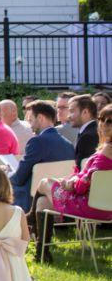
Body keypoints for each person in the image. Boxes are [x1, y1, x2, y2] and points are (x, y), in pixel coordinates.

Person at [34, 107, 112, 254]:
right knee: (42, 202)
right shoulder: (106, 147)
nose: (104, 124)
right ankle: (42, 252)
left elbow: (85, 184)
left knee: (45, 182)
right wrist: (75, 179)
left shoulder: (107, 150)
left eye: (109, 121)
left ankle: (30, 220)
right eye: (101, 119)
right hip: (106, 208)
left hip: (90, 206)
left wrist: (70, 184)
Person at [9, 101, 75, 212]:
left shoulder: (36, 142)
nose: (30, 125)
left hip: (30, 198)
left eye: (31, 120)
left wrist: (3, 177)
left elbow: (19, 178)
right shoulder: (68, 144)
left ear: (40, 118)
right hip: (60, 195)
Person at [70, 94, 100, 168]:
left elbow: (83, 168)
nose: (69, 116)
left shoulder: (88, 137)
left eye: (72, 111)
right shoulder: (93, 131)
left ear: (85, 112)